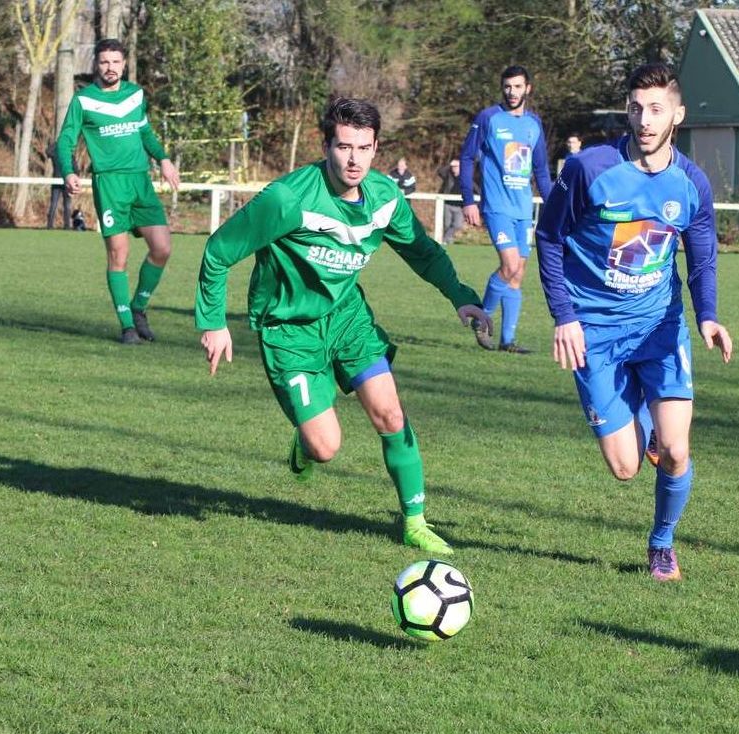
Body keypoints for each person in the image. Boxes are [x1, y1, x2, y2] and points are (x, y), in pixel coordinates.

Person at [195, 98, 491, 556]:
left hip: (347, 319)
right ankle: (306, 441)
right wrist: (214, 323)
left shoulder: (385, 199)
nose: (354, 160)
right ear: (326, 146)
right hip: (289, 329)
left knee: (391, 414)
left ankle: (414, 520)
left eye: (364, 148)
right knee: (326, 447)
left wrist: (461, 296)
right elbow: (218, 251)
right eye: (344, 147)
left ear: (377, 149)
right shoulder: (288, 199)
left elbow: (423, 252)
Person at [535, 63, 733, 582]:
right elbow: (550, 238)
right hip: (594, 334)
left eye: (656, 109)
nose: (644, 120)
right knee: (624, 469)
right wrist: (565, 317)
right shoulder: (588, 169)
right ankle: (640, 422)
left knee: (676, 449)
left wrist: (708, 316)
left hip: (659, 328)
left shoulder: (691, 183)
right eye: (636, 108)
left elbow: (703, 257)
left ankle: (662, 544)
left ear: (678, 115)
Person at [56, 38, 181, 344]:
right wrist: (69, 171)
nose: (110, 67)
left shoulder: (135, 94)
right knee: (119, 255)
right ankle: (127, 326)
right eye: (104, 62)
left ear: (124, 64)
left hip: (140, 181)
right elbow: (65, 140)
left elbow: (145, 132)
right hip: (109, 184)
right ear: (96, 65)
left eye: (115, 62)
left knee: (162, 248)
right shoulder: (84, 100)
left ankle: (138, 308)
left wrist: (163, 159)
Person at [460, 64, 553, 353]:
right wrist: (468, 200)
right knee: (509, 265)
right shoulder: (488, 118)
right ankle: (482, 318)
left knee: (518, 273)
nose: (512, 92)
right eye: (507, 86)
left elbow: (540, 170)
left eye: (517, 86)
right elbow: (466, 159)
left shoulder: (533, 124)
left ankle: (508, 341)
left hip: (523, 209)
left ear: (528, 88)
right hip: (497, 206)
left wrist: (553, 207)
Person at [437, 158, 471, 245]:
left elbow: (474, 188)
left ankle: (445, 239)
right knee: (447, 225)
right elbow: (440, 171)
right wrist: (449, 165)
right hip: (448, 204)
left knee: (457, 224)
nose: (454, 168)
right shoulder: (448, 175)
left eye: (456, 166)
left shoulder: (465, 177)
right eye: (453, 167)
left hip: (459, 206)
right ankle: (448, 241)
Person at [46, 139, 71, 229]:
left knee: (65, 205)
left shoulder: (68, 154)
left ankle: (67, 225)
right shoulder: (58, 153)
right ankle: (50, 225)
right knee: (55, 204)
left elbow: (48, 151)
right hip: (58, 181)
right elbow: (48, 152)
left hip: (66, 181)